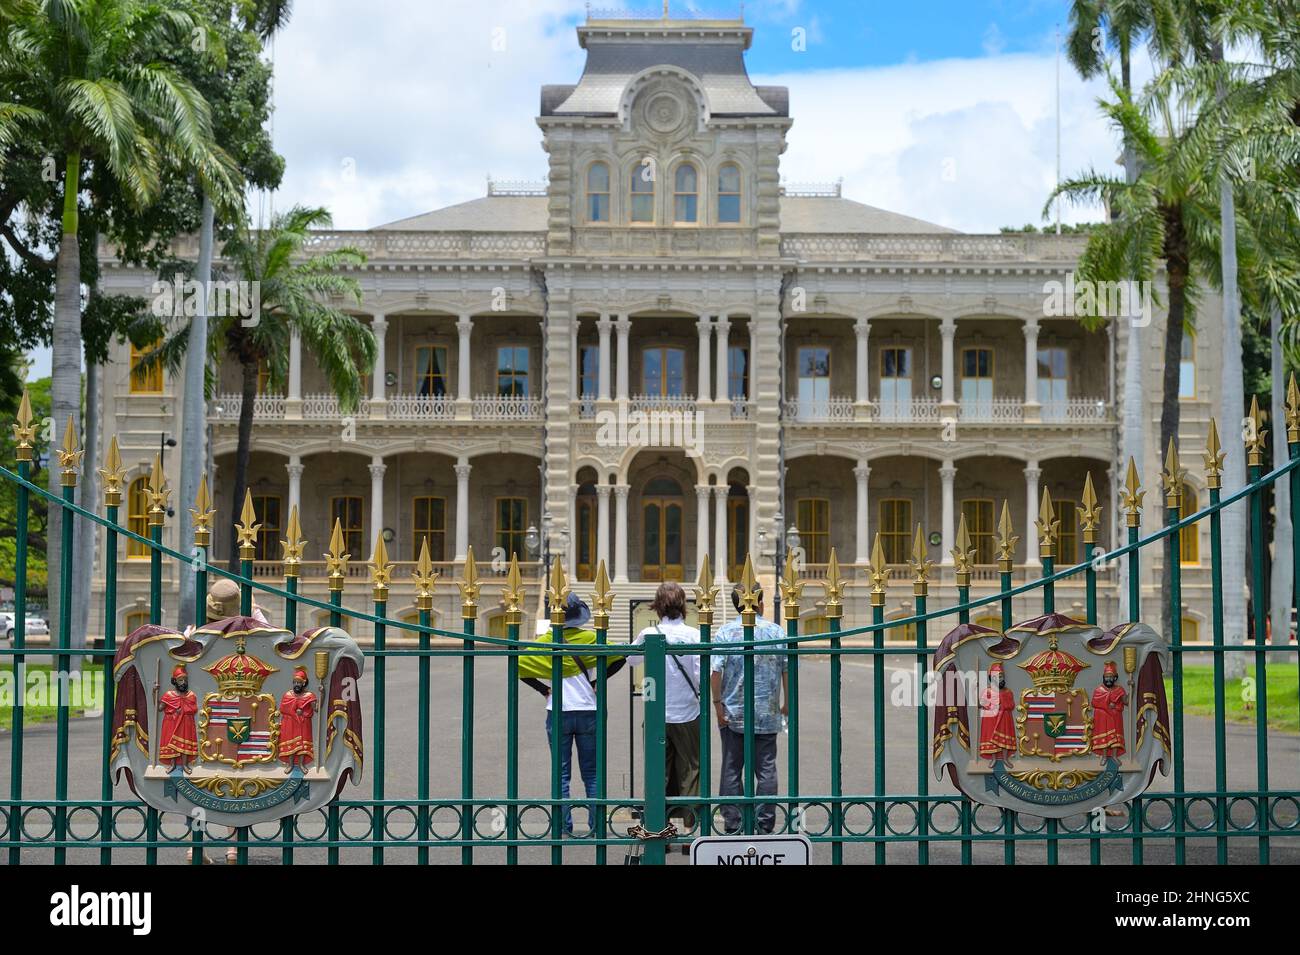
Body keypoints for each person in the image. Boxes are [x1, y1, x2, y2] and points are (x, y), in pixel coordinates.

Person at [522, 593, 626, 835]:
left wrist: (543, 689)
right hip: (588, 709)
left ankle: (563, 826)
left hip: (558, 710)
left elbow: (519, 665)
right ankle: (596, 825)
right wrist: (598, 680)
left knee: (561, 774)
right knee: (591, 773)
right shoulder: (590, 638)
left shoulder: (547, 640)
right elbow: (620, 656)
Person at [710, 582, 788, 834]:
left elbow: (715, 671)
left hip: (734, 713)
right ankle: (764, 823)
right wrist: (788, 702)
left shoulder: (726, 632)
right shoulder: (776, 631)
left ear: (736, 604)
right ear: (761, 603)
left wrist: (717, 705)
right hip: (767, 711)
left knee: (732, 769)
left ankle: (734, 824)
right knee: (766, 769)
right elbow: (788, 669)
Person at [625, 582, 701, 832]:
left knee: (658, 771)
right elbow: (700, 675)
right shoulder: (694, 635)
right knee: (690, 770)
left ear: (657, 607)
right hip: (688, 712)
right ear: (683, 606)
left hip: (657, 712)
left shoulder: (649, 634)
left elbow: (631, 659)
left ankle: (659, 826)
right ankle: (691, 828)